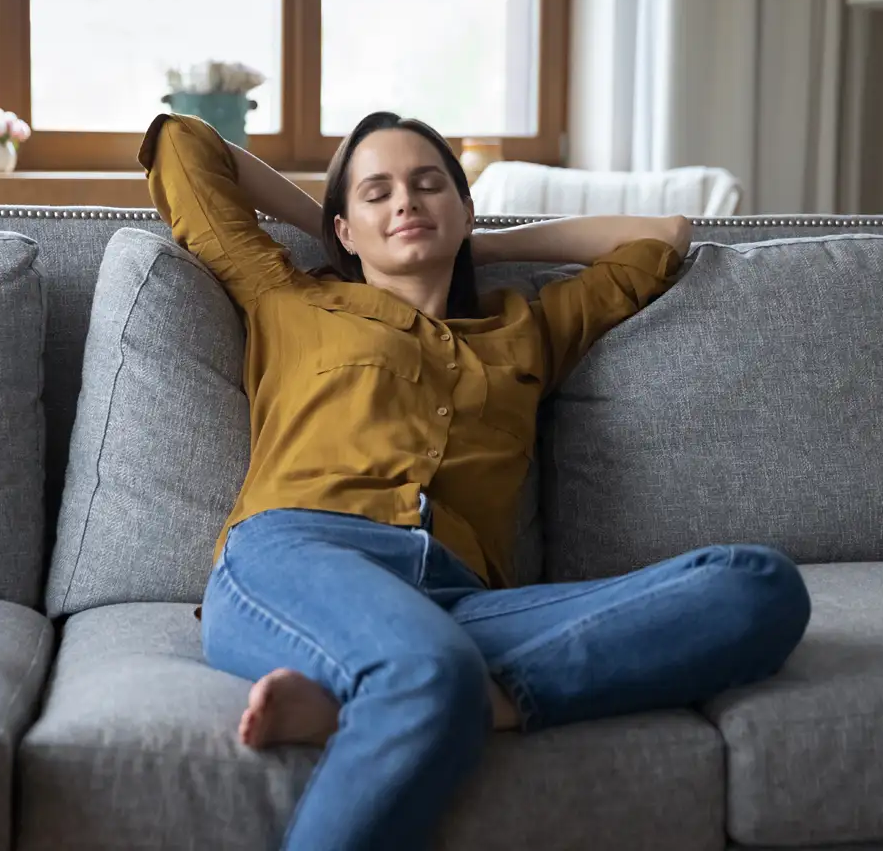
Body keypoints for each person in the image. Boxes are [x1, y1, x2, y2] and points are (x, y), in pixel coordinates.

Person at [138, 110, 811, 851]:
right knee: (428, 669)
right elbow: (183, 145)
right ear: (343, 229)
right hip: (297, 554)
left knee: (757, 585)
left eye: (430, 187)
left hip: (456, 600)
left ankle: (390, 699)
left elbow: (664, 236)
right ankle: (414, 688)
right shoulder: (289, 298)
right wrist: (331, 222)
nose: (406, 202)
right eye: (378, 192)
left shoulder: (527, 328)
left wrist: (474, 244)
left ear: (463, 208)